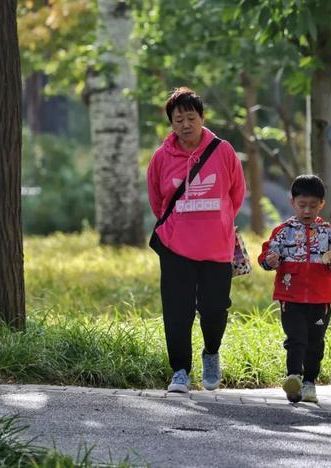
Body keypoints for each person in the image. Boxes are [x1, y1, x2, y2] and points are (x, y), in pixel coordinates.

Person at [147, 87, 245, 393]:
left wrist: (218, 222)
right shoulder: (161, 157)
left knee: (215, 309)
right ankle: (180, 371)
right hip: (175, 247)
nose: (185, 124)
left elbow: (236, 194)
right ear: (171, 123)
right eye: (178, 119)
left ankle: (211, 352)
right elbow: (157, 201)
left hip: (217, 246)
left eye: (191, 117)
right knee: (177, 312)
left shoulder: (223, 150)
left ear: (202, 118)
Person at [258, 175, 331, 403]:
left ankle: (309, 383)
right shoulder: (282, 231)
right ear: (293, 203)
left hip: (321, 297)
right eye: (302, 205)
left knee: (315, 342)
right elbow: (265, 257)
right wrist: (270, 260)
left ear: (322, 204)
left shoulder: (329, 232)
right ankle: (294, 378)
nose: (307, 211)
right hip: (291, 296)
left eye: (312, 205)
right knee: (296, 338)